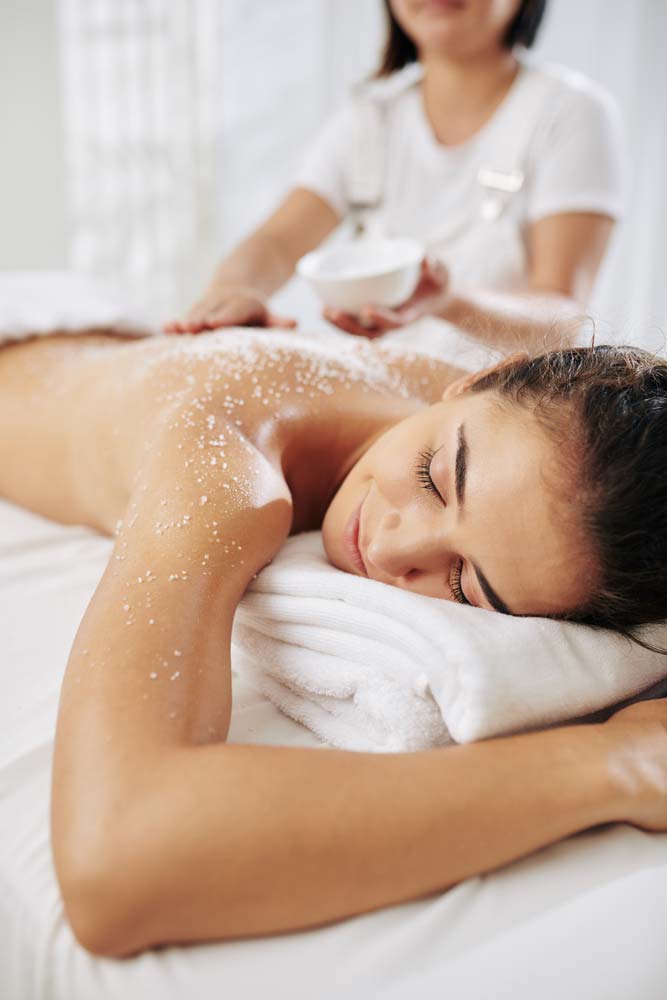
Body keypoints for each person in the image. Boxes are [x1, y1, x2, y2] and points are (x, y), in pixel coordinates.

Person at [1, 326, 666, 958]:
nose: (390, 546)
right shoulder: (221, 481)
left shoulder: (498, 425)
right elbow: (116, 857)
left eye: (465, 584)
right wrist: (614, 762)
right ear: (481, 376)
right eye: (435, 479)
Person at [165, 0, 624, 352]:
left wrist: (447, 302)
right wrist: (234, 292)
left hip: (498, 417)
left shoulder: (571, 112)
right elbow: (279, 241)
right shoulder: (368, 118)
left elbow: (564, 319)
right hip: (376, 399)